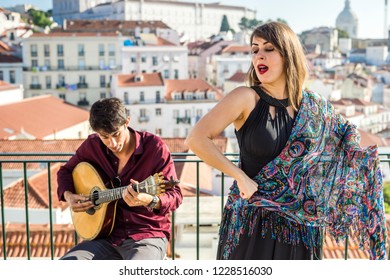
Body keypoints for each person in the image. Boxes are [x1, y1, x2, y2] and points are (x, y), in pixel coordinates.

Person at [185, 22, 387, 260]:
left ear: (288, 54)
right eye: (255, 49)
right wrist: (240, 177)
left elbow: (348, 142)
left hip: (302, 229)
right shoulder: (245, 97)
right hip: (254, 223)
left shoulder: (314, 107)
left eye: (268, 48)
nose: (259, 55)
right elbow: (197, 139)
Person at [57, 97, 182, 260]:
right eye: (105, 137)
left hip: (147, 235)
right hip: (104, 238)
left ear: (127, 122)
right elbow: (65, 172)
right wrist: (69, 196)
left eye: (116, 134)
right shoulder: (93, 146)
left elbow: (175, 196)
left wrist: (149, 200)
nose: (113, 143)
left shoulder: (155, 147)